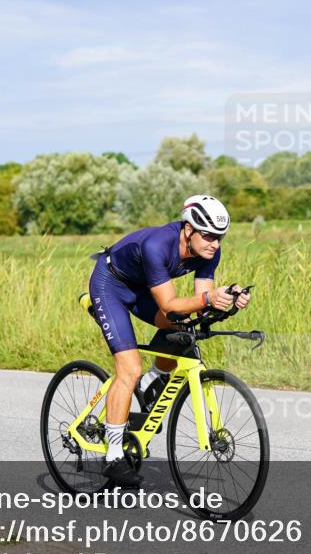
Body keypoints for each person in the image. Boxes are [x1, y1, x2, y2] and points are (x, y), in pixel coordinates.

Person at [87, 196, 251, 486]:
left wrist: (228, 298)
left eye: (220, 237)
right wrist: (207, 298)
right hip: (111, 286)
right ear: (188, 229)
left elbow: (199, 302)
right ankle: (113, 456)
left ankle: (154, 379)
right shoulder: (157, 245)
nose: (215, 244)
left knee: (185, 327)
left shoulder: (210, 252)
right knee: (129, 369)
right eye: (209, 236)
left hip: (143, 291)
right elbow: (171, 306)